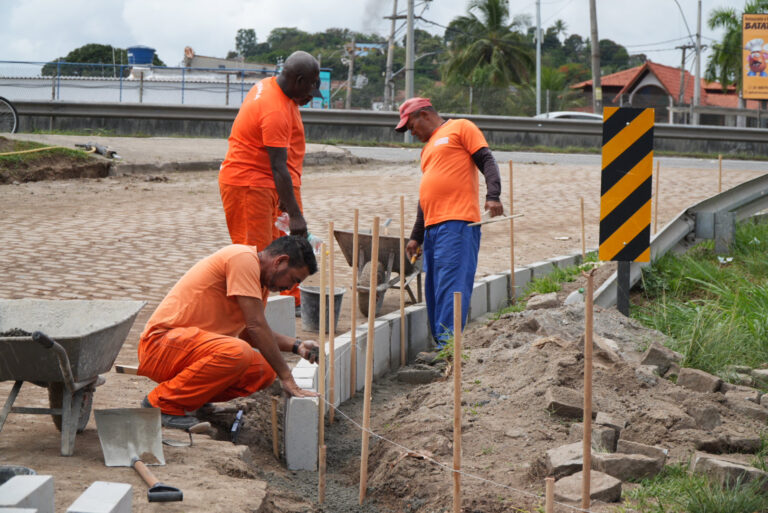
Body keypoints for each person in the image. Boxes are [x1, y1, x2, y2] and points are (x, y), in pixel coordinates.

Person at [137, 236, 320, 430]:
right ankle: (163, 403)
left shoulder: (260, 282)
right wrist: (287, 378)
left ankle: (192, 401)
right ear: (280, 261)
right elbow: (256, 326)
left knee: (262, 371)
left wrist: (296, 345)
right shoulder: (242, 259)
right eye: (293, 279)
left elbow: (247, 333)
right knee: (237, 352)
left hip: (188, 349)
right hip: (159, 346)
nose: (290, 288)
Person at [218, 50, 321, 317]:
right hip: (249, 186)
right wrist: (295, 215)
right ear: (298, 80)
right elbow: (278, 166)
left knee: (276, 255)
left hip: (267, 186)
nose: (312, 97)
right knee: (256, 261)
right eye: (311, 88)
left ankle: (270, 313)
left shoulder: (276, 90)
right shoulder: (274, 109)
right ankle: (249, 323)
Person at [396, 97, 503, 349]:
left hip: (458, 223)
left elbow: (487, 160)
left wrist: (493, 195)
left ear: (424, 114)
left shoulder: (461, 128)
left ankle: (448, 347)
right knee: (433, 288)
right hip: (433, 228)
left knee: (451, 284)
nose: (411, 133)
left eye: (411, 126)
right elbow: (427, 196)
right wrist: (416, 236)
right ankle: (441, 347)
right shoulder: (427, 149)